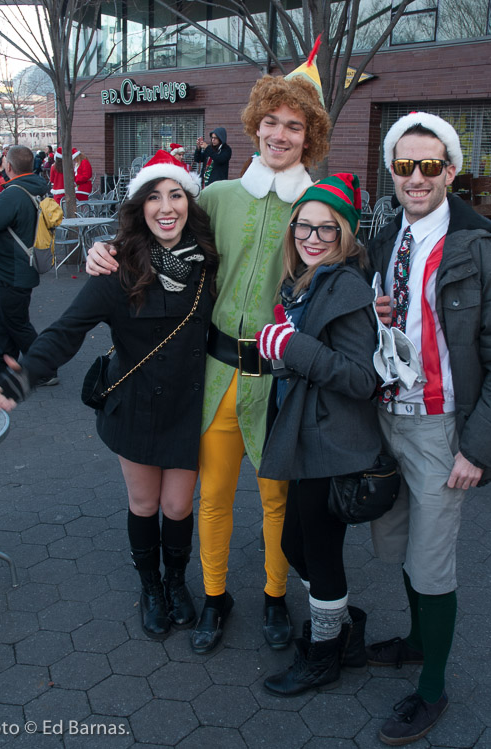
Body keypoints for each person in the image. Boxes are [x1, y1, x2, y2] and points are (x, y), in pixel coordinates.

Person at [85, 51, 331, 655]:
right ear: (254, 125)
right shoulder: (217, 196)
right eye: (271, 121)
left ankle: (275, 595)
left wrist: (373, 307)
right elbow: (156, 226)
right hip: (215, 372)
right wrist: (105, 249)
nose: (279, 133)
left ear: (310, 136)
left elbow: (347, 266)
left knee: (276, 497)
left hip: (279, 377)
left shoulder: (317, 205)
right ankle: (215, 597)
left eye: (294, 125)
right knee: (213, 496)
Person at [0, 151, 218, 640]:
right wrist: (19, 380)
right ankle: (151, 586)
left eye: (176, 195)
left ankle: (177, 582)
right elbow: (66, 332)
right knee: (145, 503)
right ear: (140, 207)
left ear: (190, 204)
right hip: (133, 406)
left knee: (178, 507)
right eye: (154, 197)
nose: (166, 206)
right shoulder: (117, 269)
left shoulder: (209, 265)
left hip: (188, 405)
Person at [366, 112, 491, 745]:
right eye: (405, 165)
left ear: (451, 171)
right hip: (387, 417)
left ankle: (431, 689)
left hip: (442, 432)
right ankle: (415, 642)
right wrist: (378, 305)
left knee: (433, 565)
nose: (416, 177)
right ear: (392, 170)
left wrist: (479, 449)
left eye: (429, 165)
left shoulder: (484, 251)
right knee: (400, 547)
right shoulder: (388, 238)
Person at [256, 174, 382, 696]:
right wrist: (281, 352)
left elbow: (361, 379)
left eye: (325, 230)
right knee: (294, 543)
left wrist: (290, 349)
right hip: (308, 435)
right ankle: (344, 628)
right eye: (304, 226)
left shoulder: (346, 286)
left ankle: (325, 654)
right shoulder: (306, 279)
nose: (311, 237)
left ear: (345, 235)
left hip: (333, 445)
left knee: (318, 553)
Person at [0, 145, 58, 384]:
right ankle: (2, 371)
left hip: (12, 269)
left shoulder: (14, 193)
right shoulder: (37, 187)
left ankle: (44, 370)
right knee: (5, 320)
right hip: (15, 267)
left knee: (16, 323)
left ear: (9, 166)